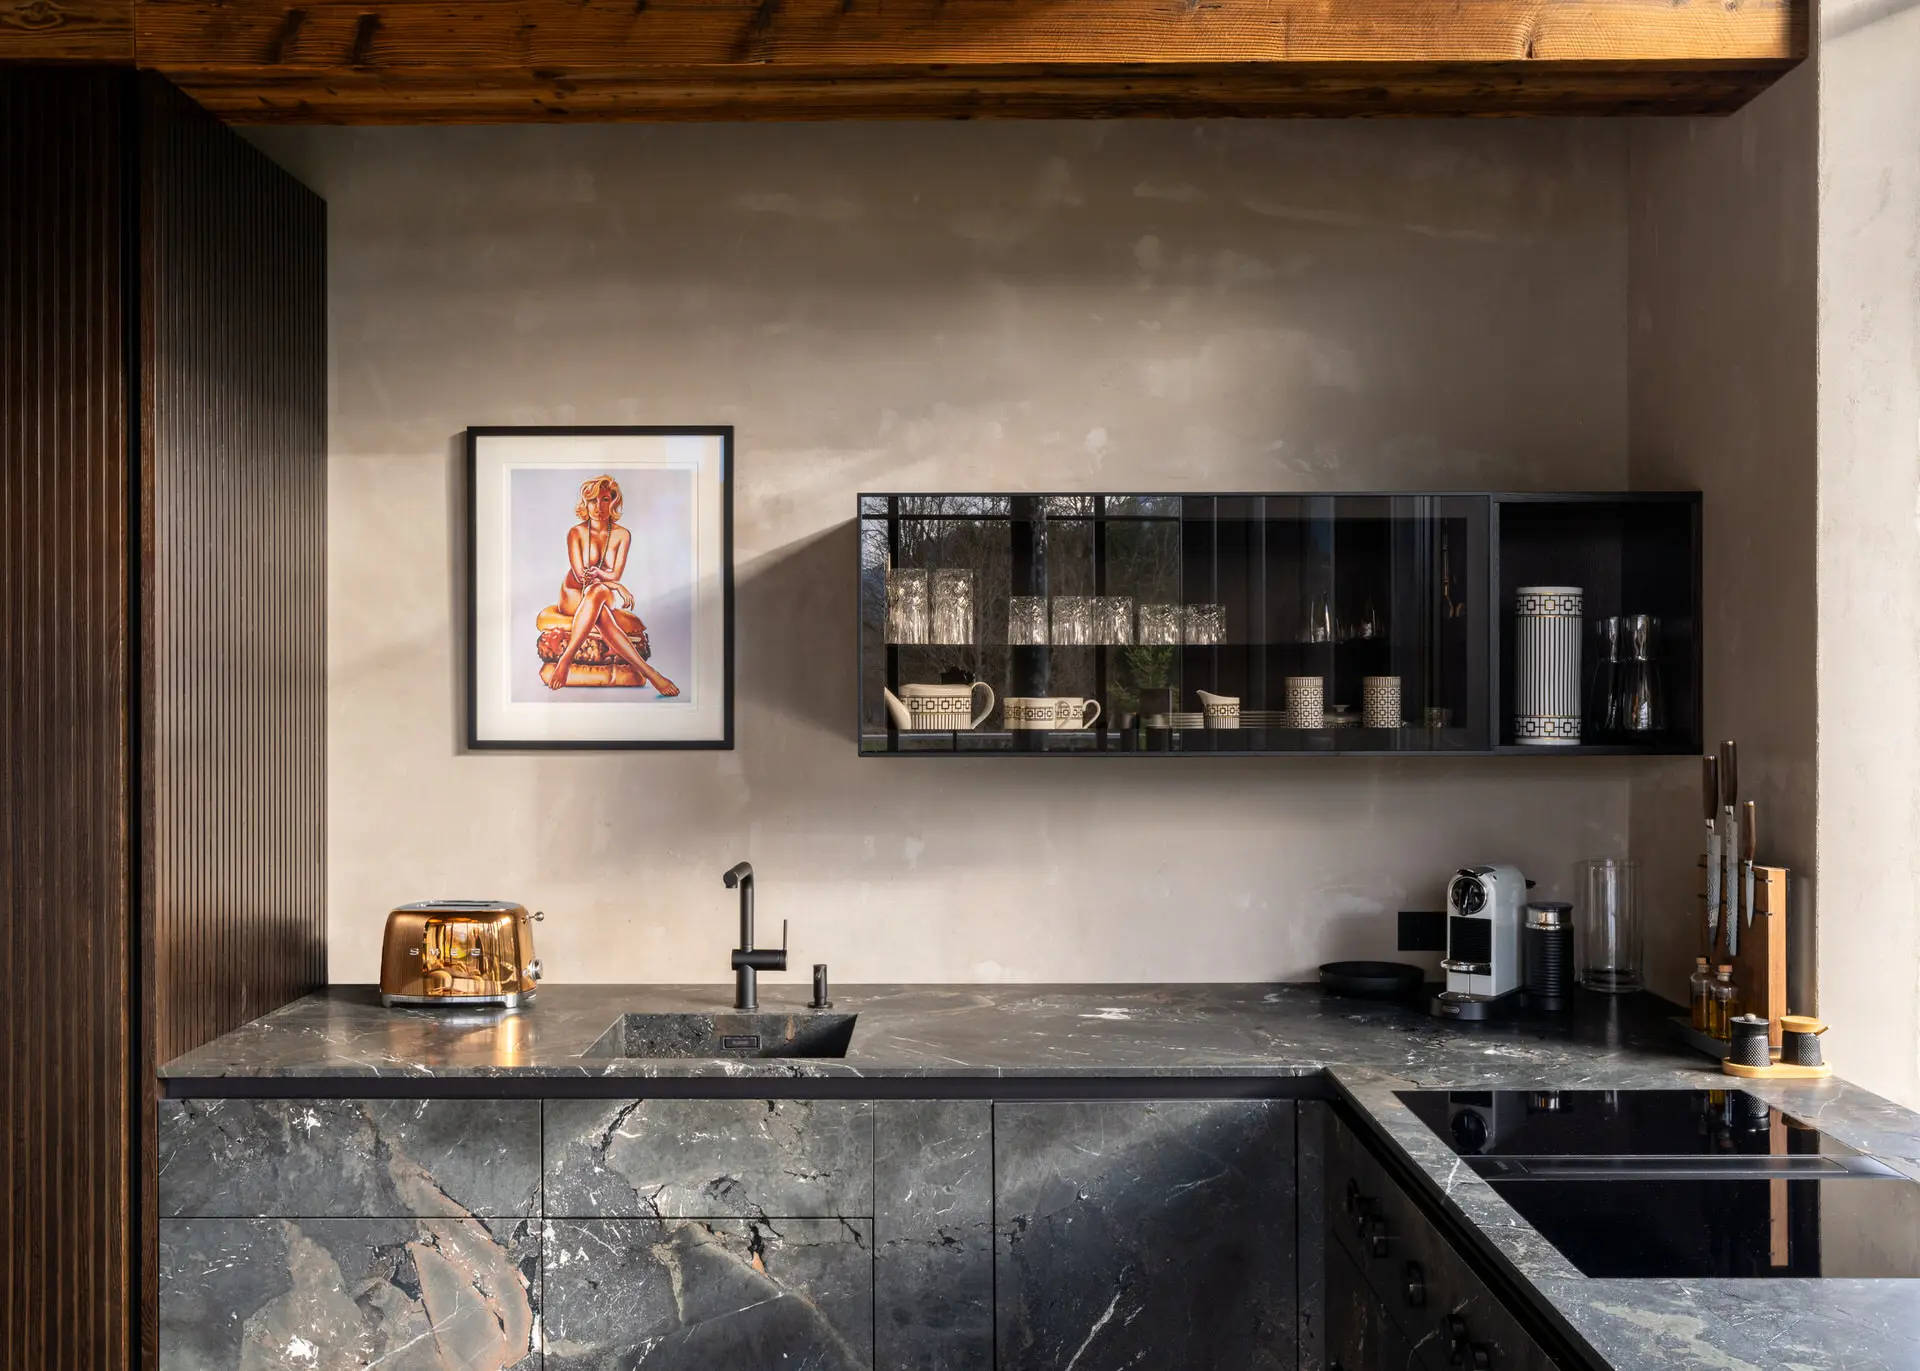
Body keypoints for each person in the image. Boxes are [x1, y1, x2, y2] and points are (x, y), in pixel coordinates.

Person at [545, 475, 679, 695]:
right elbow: (580, 576)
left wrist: (608, 579)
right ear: (585, 503)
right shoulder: (576, 533)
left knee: (597, 592)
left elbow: (615, 572)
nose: (599, 507)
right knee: (603, 614)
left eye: (605, 499)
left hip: (600, 593)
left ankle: (565, 660)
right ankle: (651, 673)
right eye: (593, 500)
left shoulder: (622, 535)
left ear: (613, 502)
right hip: (572, 595)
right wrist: (616, 585)